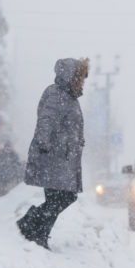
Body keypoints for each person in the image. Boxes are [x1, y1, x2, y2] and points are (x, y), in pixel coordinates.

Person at [18, 58, 89, 249]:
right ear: (71, 76)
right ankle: (32, 227)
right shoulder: (56, 94)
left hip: (63, 157)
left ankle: (37, 231)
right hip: (52, 155)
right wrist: (43, 142)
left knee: (61, 198)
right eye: (81, 77)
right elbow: (46, 119)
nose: (83, 82)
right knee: (61, 197)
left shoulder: (69, 97)